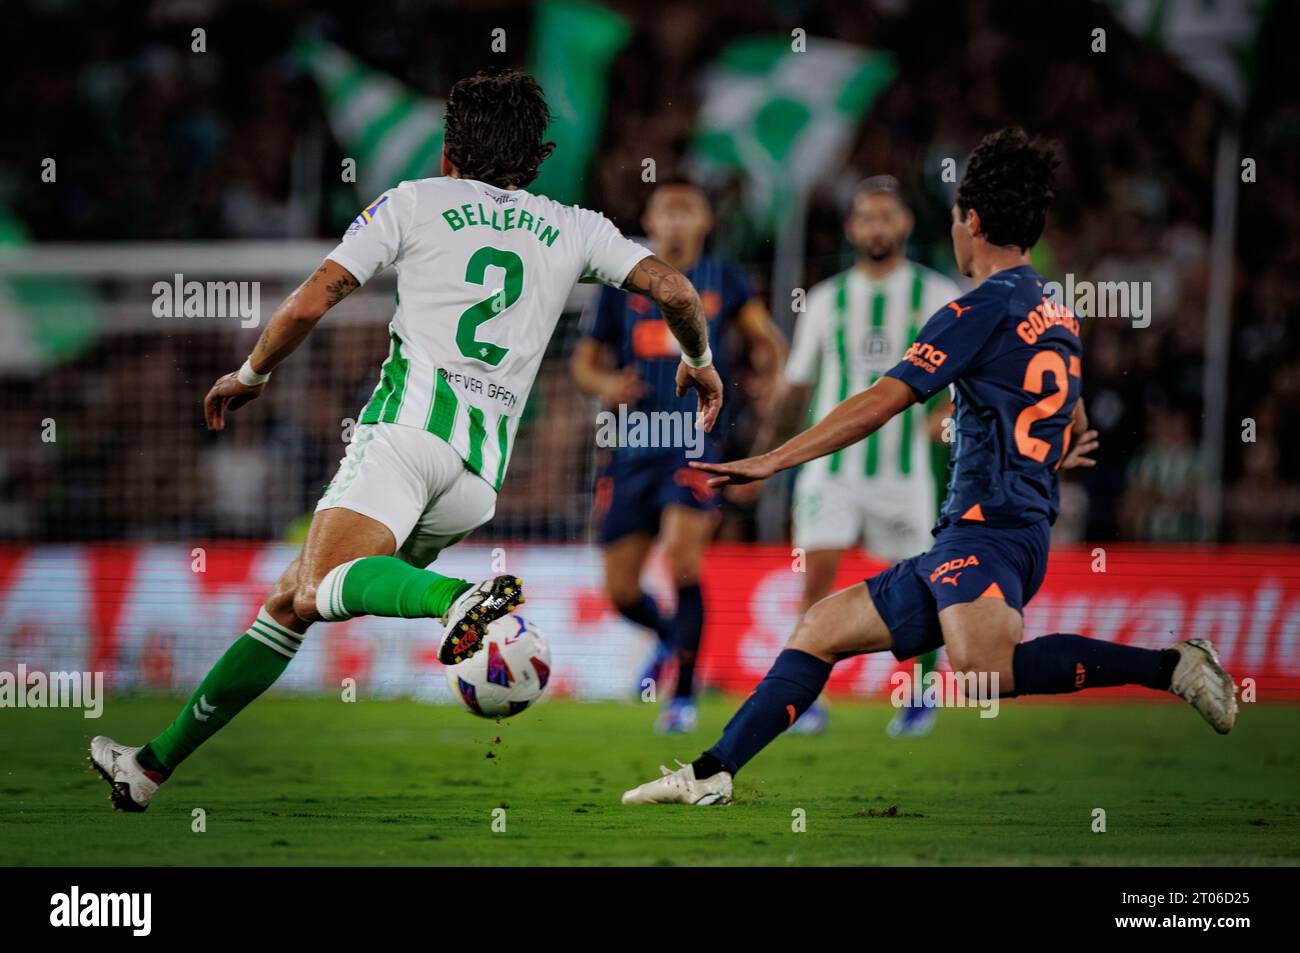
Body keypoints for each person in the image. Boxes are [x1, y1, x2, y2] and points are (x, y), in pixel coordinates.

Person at [90, 69, 723, 811]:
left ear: (450, 151)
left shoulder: (415, 201)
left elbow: (308, 302)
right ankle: (152, 767)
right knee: (293, 600)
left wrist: (251, 372)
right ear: (538, 157)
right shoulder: (576, 225)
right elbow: (677, 291)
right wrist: (701, 365)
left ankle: (460, 601)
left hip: (404, 438)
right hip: (477, 482)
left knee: (324, 584)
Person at [621, 128, 1236, 807]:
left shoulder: (974, 308)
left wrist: (774, 459)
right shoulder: (1055, 308)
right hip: (991, 529)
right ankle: (713, 773)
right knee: (820, 629)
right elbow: (1073, 412)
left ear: (970, 222)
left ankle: (1171, 664)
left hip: (990, 529)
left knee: (981, 672)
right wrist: (1059, 443)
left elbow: (881, 402)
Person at [572, 177, 784, 733]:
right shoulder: (619, 283)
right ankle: (673, 638)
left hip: (693, 442)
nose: (676, 219)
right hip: (630, 445)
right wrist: (605, 385)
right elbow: (583, 363)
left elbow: (768, 344)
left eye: (688, 209)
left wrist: (769, 376)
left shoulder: (724, 281)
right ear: (650, 217)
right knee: (620, 591)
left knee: (683, 559)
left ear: (704, 222)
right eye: (667, 209)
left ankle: (684, 698)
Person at [754, 176, 960, 737]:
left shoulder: (938, 295)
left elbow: (966, 380)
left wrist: (946, 417)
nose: (876, 226)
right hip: (832, 472)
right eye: (866, 217)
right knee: (815, 578)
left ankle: (920, 693)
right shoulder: (825, 300)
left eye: (885, 216)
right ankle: (804, 700)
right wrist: (767, 456)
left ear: (905, 224)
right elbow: (797, 388)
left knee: (925, 584)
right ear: (851, 228)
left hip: (903, 474)